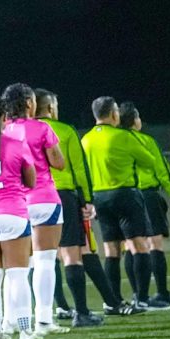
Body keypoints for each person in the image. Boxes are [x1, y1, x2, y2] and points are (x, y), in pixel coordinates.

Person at [33, 89, 117, 324]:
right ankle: (81, 312)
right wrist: (87, 200)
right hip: (63, 195)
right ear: (50, 108)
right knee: (72, 253)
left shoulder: (21, 131)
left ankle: (57, 308)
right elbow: (79, 168)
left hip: (31, 197)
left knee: (45, 256)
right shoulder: (64, 130)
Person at [81, 97, 168, 310]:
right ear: (113, 114)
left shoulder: (86, 139)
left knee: (111, 250)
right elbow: (149, 161)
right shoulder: (124, 136)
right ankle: (143, 298)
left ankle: (114, 301)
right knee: (139, 245)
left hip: (99, 197)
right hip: (125, 194)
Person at [0, 84, 69, 337]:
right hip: (44, 198)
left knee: (15, 268)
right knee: (45, 262)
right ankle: (43, 320)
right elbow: (58, 162)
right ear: (30, 103)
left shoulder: (3, 131)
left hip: (16, 203)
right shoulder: (42, 128)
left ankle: (9, 322)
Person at [0, 97, 39, 339]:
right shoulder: (16, 143)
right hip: (13, 212)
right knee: (17, 276)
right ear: (4, 118)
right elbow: (31, 180)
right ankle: (25, 330)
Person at [118, 102, 170, 304]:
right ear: (134, 120)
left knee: (131, 245)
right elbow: (161, 170)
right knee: (154, 244)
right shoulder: (146, 141)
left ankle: (138, 294)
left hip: (125, 195)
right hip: (147, 195)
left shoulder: (116, 141)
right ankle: (161, 292)